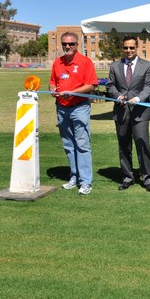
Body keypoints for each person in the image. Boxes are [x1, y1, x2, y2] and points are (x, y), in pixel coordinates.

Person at [49, 31, 98, 195]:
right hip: (62, 107)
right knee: (68, 145)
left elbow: (91, 85)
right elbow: (53, 82)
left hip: (79, 107)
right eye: (64, 44)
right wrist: (53, 90)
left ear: (77, 45)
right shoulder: (57, 62)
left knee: (82, 145)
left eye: (71, 44)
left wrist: (73, 92)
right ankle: (75, 177)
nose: (67, 47)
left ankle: (86, 182)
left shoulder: (85, 62)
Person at [106, 35, 150, 192]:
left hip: (140, 112)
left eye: (131, 47)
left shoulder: (147, 66)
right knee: (124, 146)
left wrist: (138, 98)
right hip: (121, 112)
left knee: (142, 145)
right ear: (123, 48)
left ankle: (147, 179)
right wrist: (118, 96)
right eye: (126, 48)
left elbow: (149, 86)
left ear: (137, 48)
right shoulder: (115, 66)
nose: (128, 50)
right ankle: (127, 177)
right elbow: (110, 86)